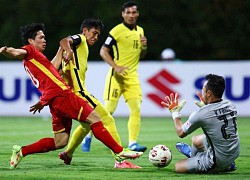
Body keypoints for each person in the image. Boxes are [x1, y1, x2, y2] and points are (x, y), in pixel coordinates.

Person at [0, 23, 143, 169]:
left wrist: (63, 50)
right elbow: (16, 52)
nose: (44, 40)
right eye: (41, 37)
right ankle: (120, 153)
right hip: (63, 96)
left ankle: (22, 151)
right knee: (96, 118)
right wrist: (5, 50)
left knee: (60, 142)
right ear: (31, 41)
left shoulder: (38, 59)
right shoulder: (29, 50)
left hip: (53, 100)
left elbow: (53, 69)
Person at [52, 18, 141, 168]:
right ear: (85, 31)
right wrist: (67, 49)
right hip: (80, 94)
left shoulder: (81, 48)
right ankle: (119, 160)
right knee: (108, 119)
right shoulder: (80, 39)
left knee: (86, 126)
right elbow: (64, 40)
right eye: (94, 33)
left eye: (98, 35)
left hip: (72, 95)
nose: (96, 37)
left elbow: (61, 69)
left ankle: (68, 153)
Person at [82, 1, 147, 153]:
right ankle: (88, 136)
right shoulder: (117, 31)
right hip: (117, 77)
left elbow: (141, 55)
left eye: (134, 12)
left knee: (136, 109)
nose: (131, 15)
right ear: (123, 14)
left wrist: (144, 47)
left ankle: (132, 143)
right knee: (108, 111)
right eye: (128, 12)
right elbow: (103, 51)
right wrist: (116, 67)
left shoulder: (141, 31)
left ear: (137, 14)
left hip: (133, 77)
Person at [161, 74, 240, 173]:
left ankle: (223, 166)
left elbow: (180, 132)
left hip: (217, 160)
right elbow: (215, 117)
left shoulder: (201, 114)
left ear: (209, 93)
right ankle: (198, 159)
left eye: (203, 89)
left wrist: (175, 113)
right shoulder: (231, 105)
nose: (202, 92)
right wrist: (206, 106)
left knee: (178, 166)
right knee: (195, 140)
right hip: (234, 152)